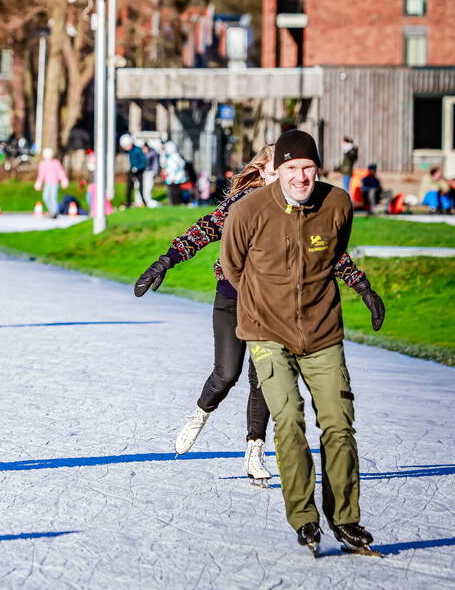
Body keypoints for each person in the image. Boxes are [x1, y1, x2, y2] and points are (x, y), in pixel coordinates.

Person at [135, 143, 381, 489]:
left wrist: (363, 287)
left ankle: (255, 449)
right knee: (226, 373)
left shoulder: (300, 212)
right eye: (275, 169)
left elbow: (330, 252)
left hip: (273, 306)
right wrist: (166, 261)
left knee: (265, 376)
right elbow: (203, 230)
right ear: (263, 172)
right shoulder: (242, 206)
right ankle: (201, 413)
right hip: (233, 299)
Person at [221, 129, 384, 556]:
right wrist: (262, 307)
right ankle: (305, 518)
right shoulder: (250, 210)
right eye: (291, 168)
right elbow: (232, 267)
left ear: (318, 168)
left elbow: (334, 254)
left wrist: (363, 288)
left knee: (338, 424)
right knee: (289, 419)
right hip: (266, 333)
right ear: (278, 171)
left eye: (307, 168)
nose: (300, 177)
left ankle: (346, 520)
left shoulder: (337, 204)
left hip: (322, 331)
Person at [35, 147, 69, 218]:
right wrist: (39, 183)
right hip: (47, 183)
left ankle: (55, 212)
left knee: (53, 198)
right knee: (45, 197)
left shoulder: (56, 163)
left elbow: (60, 172)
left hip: (54, 183)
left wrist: (64, 180)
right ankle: (51, 210)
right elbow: (41, 175)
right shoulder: (43, 164)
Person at [120, 134, 147, 207]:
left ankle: (144, 202)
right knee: (129, 188)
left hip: (139, 171)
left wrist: (137, 168)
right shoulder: (129, 152)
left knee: (141, 188)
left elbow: (144, 162)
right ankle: (128, 203)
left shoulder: (137, 150)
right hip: (132, 171)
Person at [162, 141, 187, 205]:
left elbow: (174, 167)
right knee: (173, 191)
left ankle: (176, 203)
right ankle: (174, 203)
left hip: (174, 178)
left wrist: (171, 175)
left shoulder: (174, 156)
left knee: (174, 192)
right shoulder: (170, 156)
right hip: (172, 177)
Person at [142, 140, 160, 208]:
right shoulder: (141, 153)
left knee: (149, 187)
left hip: (150, 171)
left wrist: (155, 171)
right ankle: (141, 201)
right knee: (141, 187)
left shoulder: (152, 152)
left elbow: (155, 163)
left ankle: (148, 200)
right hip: (142, 172)